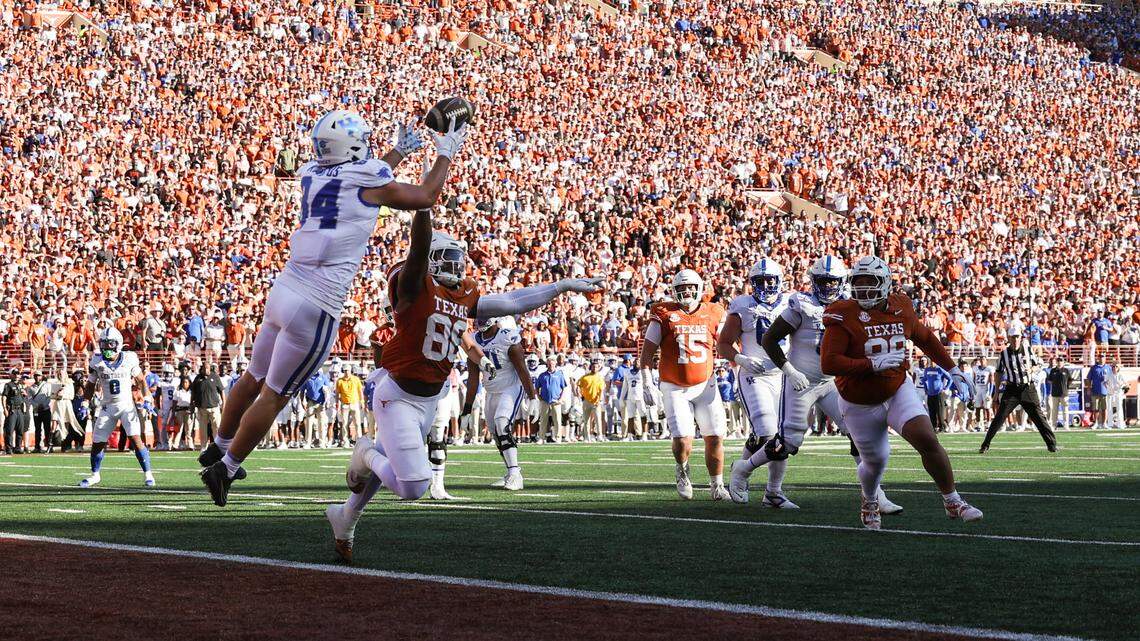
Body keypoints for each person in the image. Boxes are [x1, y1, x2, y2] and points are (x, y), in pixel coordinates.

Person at [198, 109, 469, 503]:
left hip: (285, 289)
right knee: (275, 394)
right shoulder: (365, 178)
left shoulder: (310, 171)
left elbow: (359, 183)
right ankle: (227, 467)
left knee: (253, 376)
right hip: (317, 302)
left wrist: (395, 154)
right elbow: (424, 196)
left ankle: (219, 445)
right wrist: (446, 151)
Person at [326, 203, 603, 561]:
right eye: (445, 257)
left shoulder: (462, 296)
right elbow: (416, 249)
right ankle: (363, 452)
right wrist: (423, 207)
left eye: (457, 258)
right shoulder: (413, 285)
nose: (455, 265)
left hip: (428, 399)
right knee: (411, 485)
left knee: (392, 465)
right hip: (397, 393)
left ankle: (345, 519)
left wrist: (562, 285)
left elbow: (514, 301)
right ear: (426, 259)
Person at [820, 256, 982, 530]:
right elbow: (829, 362)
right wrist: (869, 364)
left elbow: (924, 337)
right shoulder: (843, 313)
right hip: (858, 401)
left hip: (897, 388)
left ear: (884, 284)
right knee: (875, 462)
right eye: (857, 283)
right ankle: (870, 499)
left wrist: (952, 369)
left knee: (927, 438)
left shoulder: (900, 306)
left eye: (869, 282)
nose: (862, 289)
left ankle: (953, 501)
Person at [754, 256, 902, 513]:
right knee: (788, 442)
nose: (828, 287)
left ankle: (877, 495)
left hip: (835, 382)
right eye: (823, 281)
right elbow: (770, 339)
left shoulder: (852, 305)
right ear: (813, 281)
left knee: (859, 434)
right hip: (803, 380)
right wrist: (789, 370)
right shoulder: (802, 304)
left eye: (832, 282)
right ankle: (750, 473)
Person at [638, 269, 729, 501]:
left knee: (715, 436)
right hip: (674, 385)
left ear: (699, 289)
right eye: (681, 288)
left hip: (706, 384)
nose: (686, 292)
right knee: (682, 439)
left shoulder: (714, 312)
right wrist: (647, 382)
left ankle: (717, 485)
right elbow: (647, 353)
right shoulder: (664, 313)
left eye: (690, 287)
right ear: (674, 291)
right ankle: (682, 469)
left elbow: (728, 342)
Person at [718, 258, 793, 507]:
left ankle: (773, 492)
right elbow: (723, 343)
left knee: (781, 436)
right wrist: (741, 358)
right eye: (761, 280)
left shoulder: (791, 303)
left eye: (771, 279)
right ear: (752, 283)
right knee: (768, 431)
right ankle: (744, 471)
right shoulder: (743, 306)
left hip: (783, 374)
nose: (766, 284)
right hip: (754, 375)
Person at [463, 316, 535, 490]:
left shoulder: (507, 336)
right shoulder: (472, 340)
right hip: (491, 391)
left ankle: (515, 474)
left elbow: (522, 369)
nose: (479, 320)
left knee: (502, 423)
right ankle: (511, 472)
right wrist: (466, 409)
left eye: (485, 315)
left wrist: (532, 396)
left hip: (510, 388)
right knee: (496, 434)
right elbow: (473, 378)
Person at [79, 327, 155, 488]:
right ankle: (95, 475)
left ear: (118, 344)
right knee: (98, 442)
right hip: (107, 406)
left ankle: (148, 474)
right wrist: (86, 402)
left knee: (135, 438)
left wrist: (147, 397)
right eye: (104, 344)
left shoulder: (129, 358)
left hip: (126, 405)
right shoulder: (97, 361)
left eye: (110, 344)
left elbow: (141, 380)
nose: (106, 347)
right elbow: (90, 385)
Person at [979, 328, 1058, 453]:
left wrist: (1032, 369)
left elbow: (1037, 365)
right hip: (1011, 389)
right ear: (1009, 339)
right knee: (999, 417)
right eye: (1013, 337)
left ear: (1021, 338)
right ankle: (985, 444)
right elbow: (998, 373)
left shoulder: (1028, 349)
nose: (1016, 339)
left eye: (1017, 337)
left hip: (1027, 388)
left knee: (1039, 416)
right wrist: (996, 393)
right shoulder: (1004, 354)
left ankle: (1052, 444)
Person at [535, 358, 568, 443]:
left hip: (556, 401)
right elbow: (537, 387)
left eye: (552, 364)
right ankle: (541, 438)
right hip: (545, 401)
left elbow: (563, 387)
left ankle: (558, 437)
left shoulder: (559, 374)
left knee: (557, 420)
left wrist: (560, 399)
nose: (551, 366)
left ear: (555, 364)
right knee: (543, 420)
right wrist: (539, 397)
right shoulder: (542, 375)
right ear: (547, 364)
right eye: (549, 364)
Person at [919, 358, 952, 433]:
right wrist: (925, 388)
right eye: (931, 361)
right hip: (930, 393)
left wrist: (945, 388)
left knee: (939, 411)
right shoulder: (927, 370)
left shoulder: (939, 369)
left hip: (938, 393)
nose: (932, 362)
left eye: (933, 361)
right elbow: (924, 380)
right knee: (931, 411)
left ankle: (942, 426)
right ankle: (933, 426)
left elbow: (950, 379)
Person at [578, 358, 606, 442]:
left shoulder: (600, 378)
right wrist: (581, 395)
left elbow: (601, 390)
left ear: (598, 368)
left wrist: (599, 400)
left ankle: (599, 435)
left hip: (596, 401)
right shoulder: (585, 377)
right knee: (586, 420)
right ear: (591, 367)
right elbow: (578, 386)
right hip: (586, 400)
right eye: (593, 367)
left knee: (598, 419)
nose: (594, 368)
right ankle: (587, 437)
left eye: (596, 367)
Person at [2, 369, 30, 455]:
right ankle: (9, 449)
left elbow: (24, 397)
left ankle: (18, 448)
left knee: (20, 430)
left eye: (18, 374)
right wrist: (5, 409)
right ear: (12, 375)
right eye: (15, 374)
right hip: (12, 410)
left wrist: (25, 394)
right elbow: (4, 397)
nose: (17, 375)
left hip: (20, 410)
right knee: (9, 430)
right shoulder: (8, 385)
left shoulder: (20, 385)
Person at [1045, 358, 1074, 429]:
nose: (1059, 363)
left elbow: (1070, 380)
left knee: (1065, 410)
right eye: (1058, 361)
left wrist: (1065, 387)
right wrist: (1055, 385)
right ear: (1057, 362)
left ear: (1063, 362)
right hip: (1055, 394)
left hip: (1064, 394)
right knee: (1054, 411)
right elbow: (1049, 380)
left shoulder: (1066, 370)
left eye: (1061, 361)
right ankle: (1054, 425)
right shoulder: (1053, 370)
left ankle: (1066, 425)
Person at [1086, 358, 1112, 429]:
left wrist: (1110, 387)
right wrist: (1088, 388)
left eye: (1103, 357)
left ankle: (1104, 423)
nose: (1101, 359)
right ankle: (1096, 423)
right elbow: (1089, 379)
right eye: (1100, 357)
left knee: (1104, 408)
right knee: (1095, 408)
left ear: (1105, 358)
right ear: (1098, 358)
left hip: (1105, 391)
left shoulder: (1108, 367)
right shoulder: (1094, 368)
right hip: (1095, 391)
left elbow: (1111, 378)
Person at [971, 357, 994, 432]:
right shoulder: (975, 368)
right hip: (977, 389)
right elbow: (973, 380)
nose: (982, 361)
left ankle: (988, 425)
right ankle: (978, 425)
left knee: (987, 407)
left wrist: (990, 393)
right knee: (977, 407)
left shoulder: (989, 369)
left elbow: (991, 382)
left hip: (985, 389)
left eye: (983, 360)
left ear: (986, 361)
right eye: (981, 360)